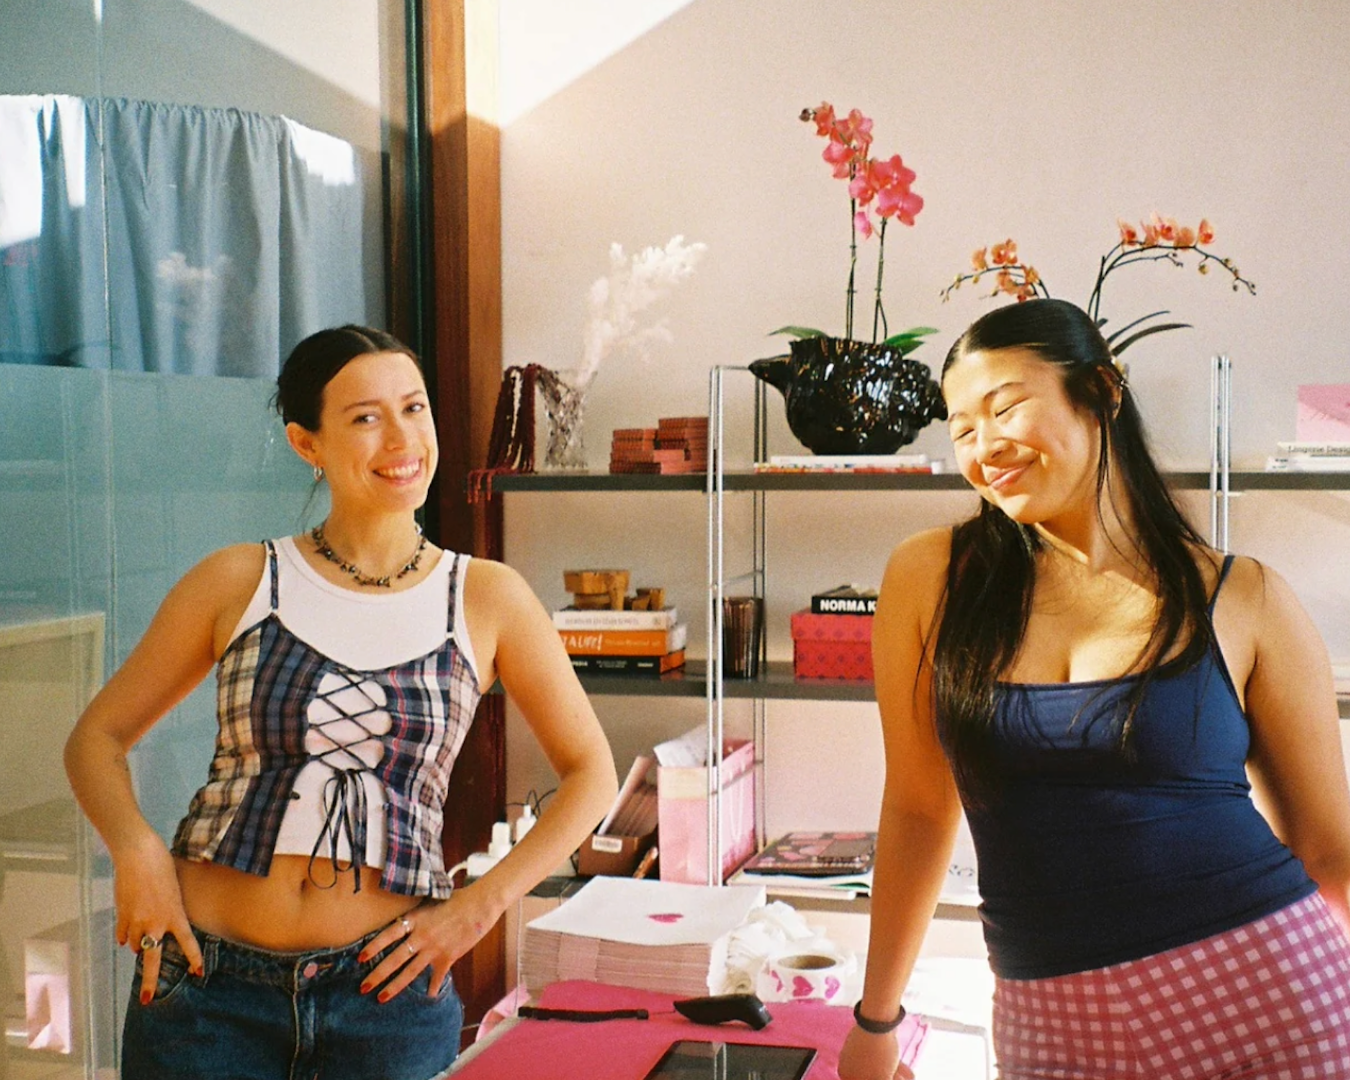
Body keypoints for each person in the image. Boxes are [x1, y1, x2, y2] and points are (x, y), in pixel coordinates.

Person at [64, 325, 618, 1080]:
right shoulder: (239, 580)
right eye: (365, 417)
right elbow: (97, 737)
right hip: (206, 986)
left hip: (385, 1001)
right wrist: (138, 854)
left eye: (414, 408)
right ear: (307, 443)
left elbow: (592, 772)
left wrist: (479, 907)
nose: (401, 437)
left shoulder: (487, 597)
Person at [839, 299, 1350, 1079]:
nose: (985, 446)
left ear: (1104, 391)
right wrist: (878, 1018)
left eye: (1007, 407)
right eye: (963, 427)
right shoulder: (931, 577)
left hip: (1266, 991)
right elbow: (916, 806)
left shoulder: (1244, 597)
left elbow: (1328, 850)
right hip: (1051, 1013)